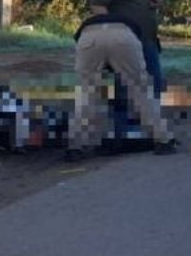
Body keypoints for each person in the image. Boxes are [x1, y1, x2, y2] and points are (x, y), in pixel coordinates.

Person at [68, 14, 174, 161]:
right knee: (141, 90)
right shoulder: (134, 26)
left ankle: (76, 147)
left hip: (88, 35)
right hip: (123, 36)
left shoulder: (93, 21)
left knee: (87, 93)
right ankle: (163, 140)